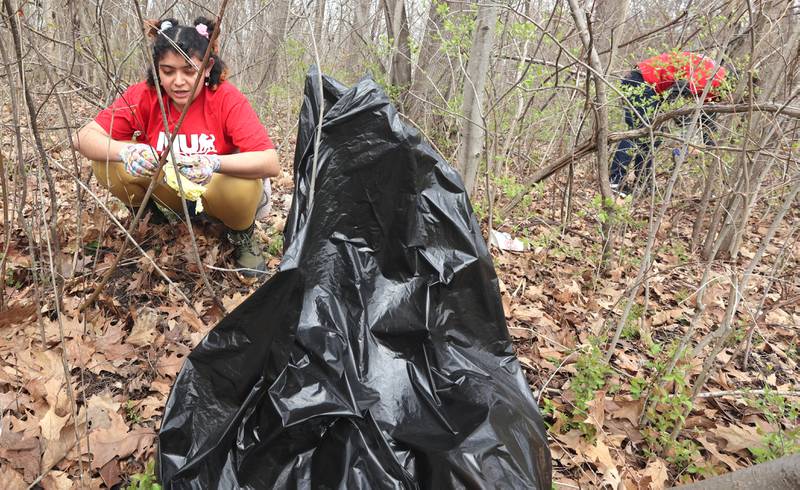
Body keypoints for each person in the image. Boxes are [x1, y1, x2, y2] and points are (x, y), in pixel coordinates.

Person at [73, 17, 278, 276]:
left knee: (243, 184)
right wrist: (125, 152)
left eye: (189, 70)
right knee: (108, 161)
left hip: (217, 193)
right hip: (170, 189)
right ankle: (151, 220)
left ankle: (242, 236)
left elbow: (270, 162)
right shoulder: (146, 95)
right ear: (157, 69)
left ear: (207, 67)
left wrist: (215, 162)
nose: (178, 81)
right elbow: (83, 137)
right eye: (168, 71)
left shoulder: (226, 98)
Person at [610, 51, 727, 195]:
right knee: (638, 131)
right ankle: (615, 180)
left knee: (654, 137)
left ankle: (642, 182)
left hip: (652, 88)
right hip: (641, 81)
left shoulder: (717, 85)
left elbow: (707, 119)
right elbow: (676, 94)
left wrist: (711, 147)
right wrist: (685, 136)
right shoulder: (714, 78)